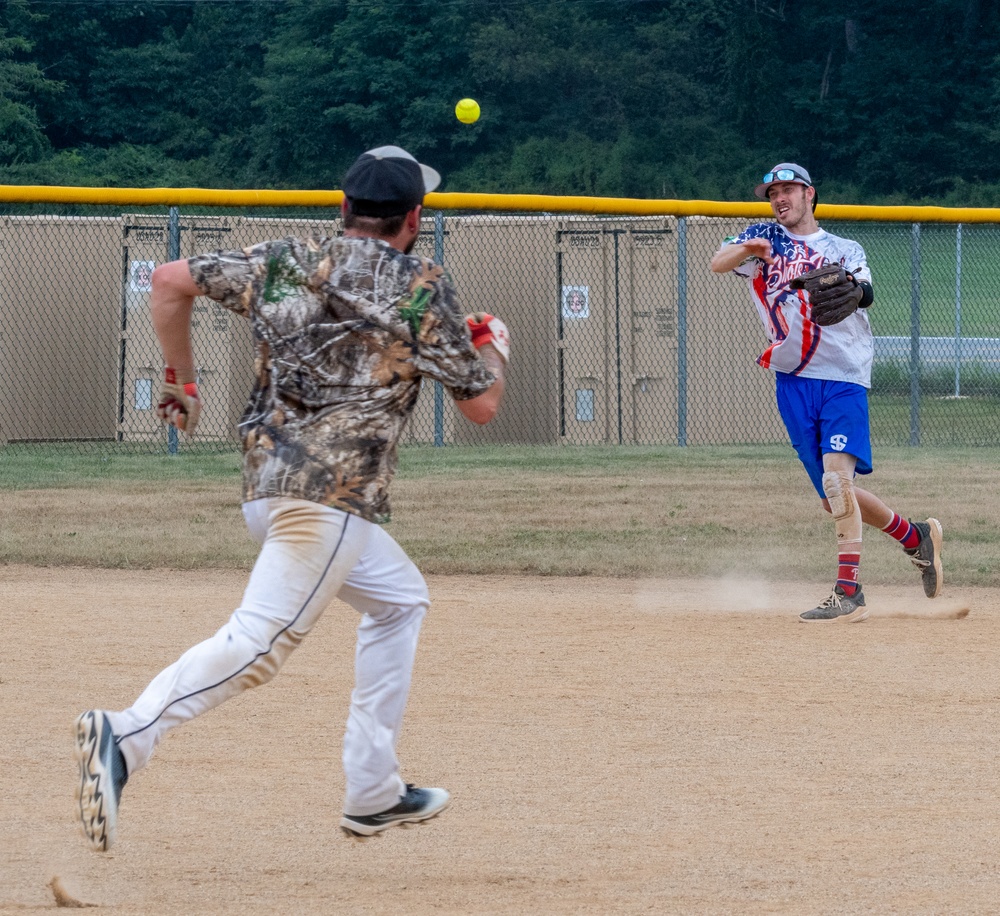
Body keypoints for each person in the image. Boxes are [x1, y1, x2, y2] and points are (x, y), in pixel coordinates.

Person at [73, 145, 510, 851]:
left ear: (343, 210)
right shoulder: (422, 285)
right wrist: (495, 348)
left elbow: (167, 280)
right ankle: (126, 735)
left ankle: (373, 790)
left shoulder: (285, 260)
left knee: (399, 601)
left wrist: (181, 381)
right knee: (260, 646)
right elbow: (483, 406)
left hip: (267, 481)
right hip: (330, 495)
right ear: (414, 220)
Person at [709, 162, 942, 622]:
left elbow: (866, 290)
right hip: (793, 378)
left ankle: (848, 593)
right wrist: (748, 248)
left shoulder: (843, 247)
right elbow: (718, 263)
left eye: (789, 190)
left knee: (837, 483)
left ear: (809, 194)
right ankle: (915, 537)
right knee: (832, 495)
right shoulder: (763, 238)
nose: (780, 199)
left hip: (843, 374)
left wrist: (853, 290)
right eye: (773, 192)